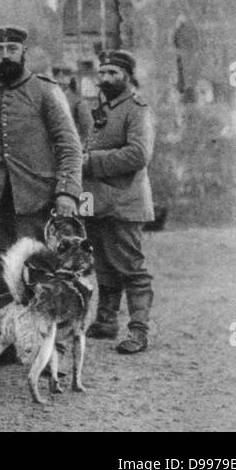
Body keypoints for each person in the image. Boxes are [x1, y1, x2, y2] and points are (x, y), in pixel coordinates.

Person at [0, 26, 82, 352]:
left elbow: (69, 145)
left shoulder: (45, 91)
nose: (5, 55)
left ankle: (43, 343)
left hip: (35, 198)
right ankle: (7, 343)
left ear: (24, 52)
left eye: (12, 48)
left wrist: (67, 192)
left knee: (38, 273)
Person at [83, 50, 155, 354]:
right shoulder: (102, 107)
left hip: (125, 201)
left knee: (131, 266)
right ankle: (106, 321)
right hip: (98, 200)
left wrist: (92, 161)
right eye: (102, 73)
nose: (106, 79)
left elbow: (139, 155)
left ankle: (138, 331)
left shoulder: (137, 109)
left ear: (127, 76)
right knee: (103, 263)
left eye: (113, 73)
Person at [53, 64, 94, 142]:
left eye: (66, 72)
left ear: (70, 77)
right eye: (56, 72)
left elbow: (88, 129)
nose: (60, 75)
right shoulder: (49, 97)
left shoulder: (78, 102)